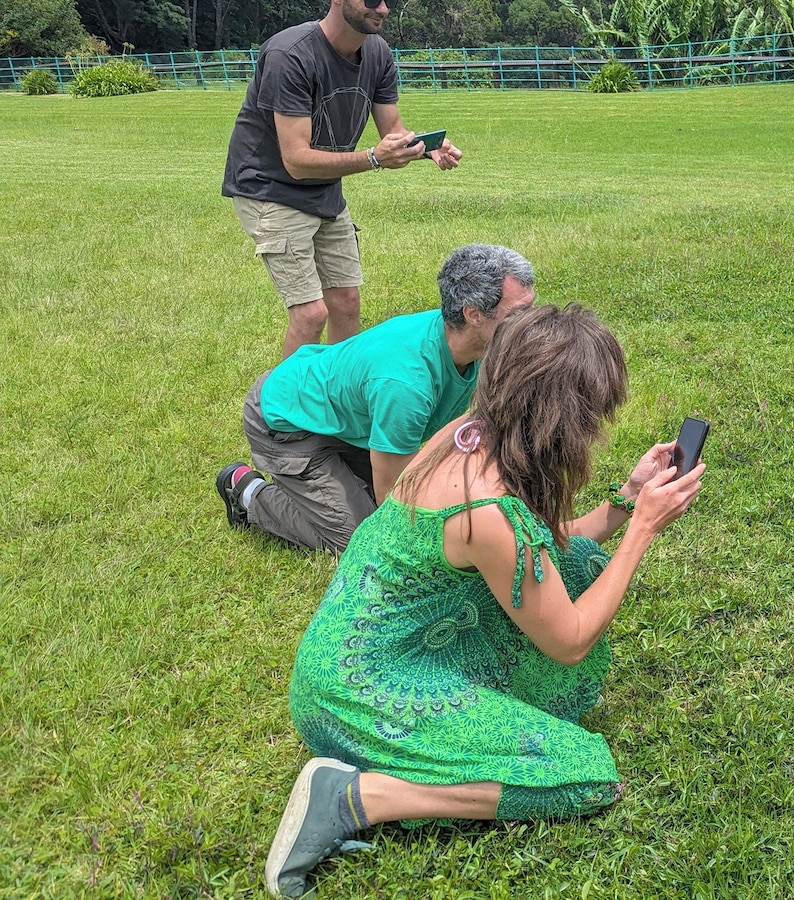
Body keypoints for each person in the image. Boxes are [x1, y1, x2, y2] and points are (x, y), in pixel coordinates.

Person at [261, 303, 705, 898]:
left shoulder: (468, 435)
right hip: (360, 693)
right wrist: (643, 530)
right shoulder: (490, 512)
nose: (597, 431)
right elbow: (570, 640)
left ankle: (430, 751)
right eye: (592, 417)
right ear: (562, 419)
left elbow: (543, 551)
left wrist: (626, 499)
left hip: (357, 658)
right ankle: (357, 796)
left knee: (573, 565)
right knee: (579, 774)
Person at [215, 244, 534, 553]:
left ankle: (328, 483)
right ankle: (248, 491)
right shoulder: (406, 383)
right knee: (360, 538)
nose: (533, 323)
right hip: (284, 424)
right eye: (521, 312)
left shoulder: (476, 347)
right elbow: (391, 495)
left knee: (422, 496)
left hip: (340, 423)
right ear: (474, 314)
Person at [222, 0, 465, 359]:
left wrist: (425, 146)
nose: (381, 8)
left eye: (388, 1)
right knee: (310, 313)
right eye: (370, 0)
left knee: (346, 303)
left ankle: (337, 401)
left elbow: (392, 129)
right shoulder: (289, 55)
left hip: (324, 189)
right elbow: (296, 160)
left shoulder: (377, 52)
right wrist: (372, 159)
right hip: (269, 188)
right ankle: (283, 409)